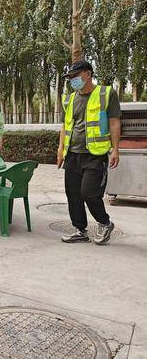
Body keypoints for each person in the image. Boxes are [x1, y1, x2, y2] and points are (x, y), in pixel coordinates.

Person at [57, 60, 121, 245]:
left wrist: (116, 149)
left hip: (95, 154)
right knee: (73, 194)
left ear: (88, 74)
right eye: (69, 77)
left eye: (75, 76)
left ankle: (105, 222)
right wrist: (60, 150)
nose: (72, 80)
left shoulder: (105, 94)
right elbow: (65, 126)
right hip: (73, 154)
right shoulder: (69, 99)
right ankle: (79, 230)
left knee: (89, 193)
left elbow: (114, 121)